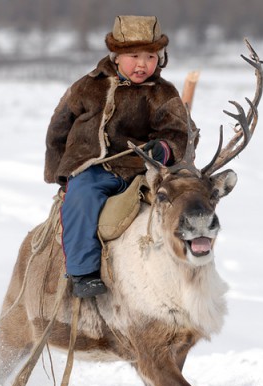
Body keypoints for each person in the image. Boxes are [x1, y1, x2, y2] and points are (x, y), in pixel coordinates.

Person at [43, 15, 195, 298]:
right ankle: (83, 272)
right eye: (133, 56)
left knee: (176, 203)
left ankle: (177, 271)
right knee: (82, 196)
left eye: (151, 56)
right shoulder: (88, 86)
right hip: (92, 167)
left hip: (140, 170)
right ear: (115, 57)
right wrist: (59, 171)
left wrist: (164, 149)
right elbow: (58, 127)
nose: (142, 64)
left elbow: (182, 133)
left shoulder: (163, 94)